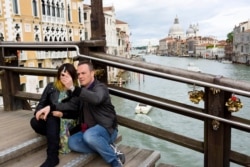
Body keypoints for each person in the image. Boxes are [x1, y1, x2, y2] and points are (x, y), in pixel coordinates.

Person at [37, 60, 125, 167]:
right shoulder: (81, 90)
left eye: (83, 73)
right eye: (78, 74)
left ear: (92, 73)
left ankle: (115, 161)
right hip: (88, 130)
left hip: (106, 129)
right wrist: (51, 107)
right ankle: (109, 147)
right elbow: (72, 106)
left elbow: (96, 99)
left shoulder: (100, 88)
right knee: (72, 143)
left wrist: (73, 88)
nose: (80, 76)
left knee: (89, 136)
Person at [30, 63, 79, 167]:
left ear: (73, 77)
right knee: (34, 121)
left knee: (53, 118)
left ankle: (52, 157)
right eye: (62, 75)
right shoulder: (51, 87)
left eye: (68, 75)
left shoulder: (75, 90)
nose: (64, 78)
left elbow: (75, 111)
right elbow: (41, 105)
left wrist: (62, 114)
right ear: (58, 75)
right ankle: (55, 135)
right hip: (51, 120)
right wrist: (41, 114)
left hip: (68, 122)